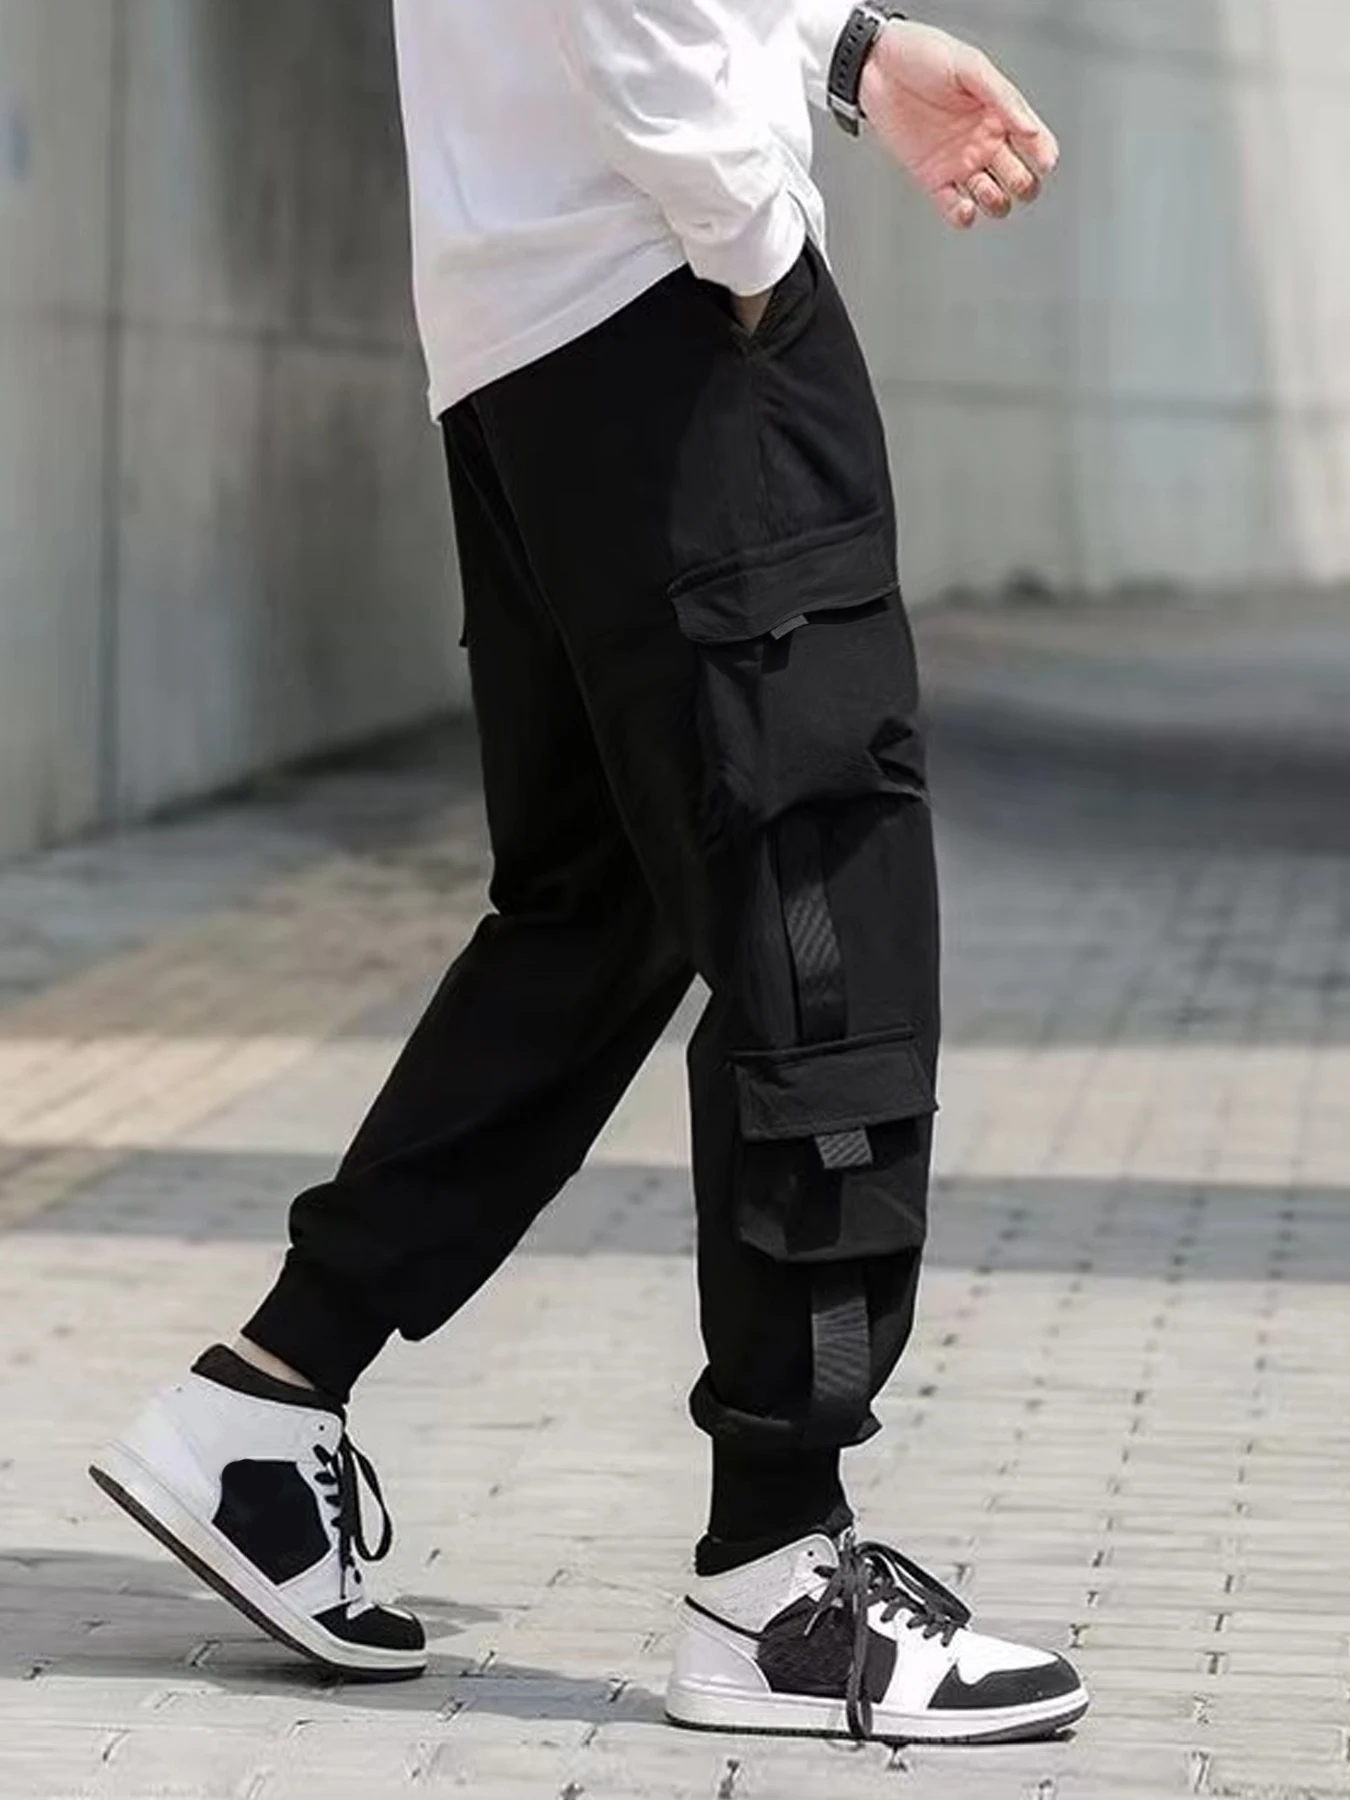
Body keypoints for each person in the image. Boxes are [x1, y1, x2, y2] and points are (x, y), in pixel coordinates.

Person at [91, 1, 1088, 1746]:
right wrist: (748, 241)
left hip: (532, 315)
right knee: (819, 914)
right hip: (666, 306)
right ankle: (778, 1572)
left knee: (602, 905)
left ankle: (267, 1398)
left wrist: (840, 51)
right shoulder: (704, 249)